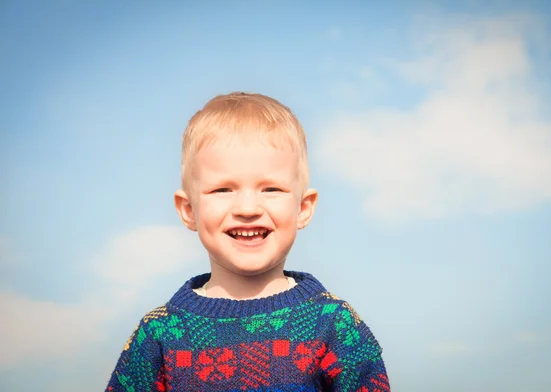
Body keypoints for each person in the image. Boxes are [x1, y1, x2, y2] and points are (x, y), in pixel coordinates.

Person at [106, 92, 390, 391]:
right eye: (223, 189)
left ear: (303, 208)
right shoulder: (159, 333)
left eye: (270, 189)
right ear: (189, 210)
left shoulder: (334, 324)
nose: (247, 209)